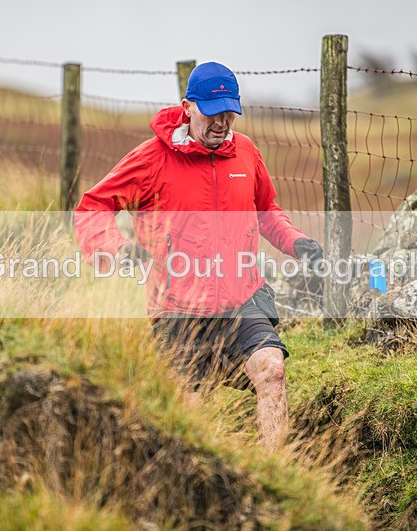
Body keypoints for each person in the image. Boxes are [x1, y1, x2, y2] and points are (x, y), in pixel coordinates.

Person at [74, 62, 323, 450]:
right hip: (178, 310)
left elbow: (266, 210)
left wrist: (296, 242)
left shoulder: (245, 153)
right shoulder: (150, 159)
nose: (222, 123)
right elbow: (92, 207)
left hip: (242, 298)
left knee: (271, 371)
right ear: (188, 106)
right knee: (190, 413)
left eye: (230, 112)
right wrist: (117, 249)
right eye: (213, 112)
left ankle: (274, 476)